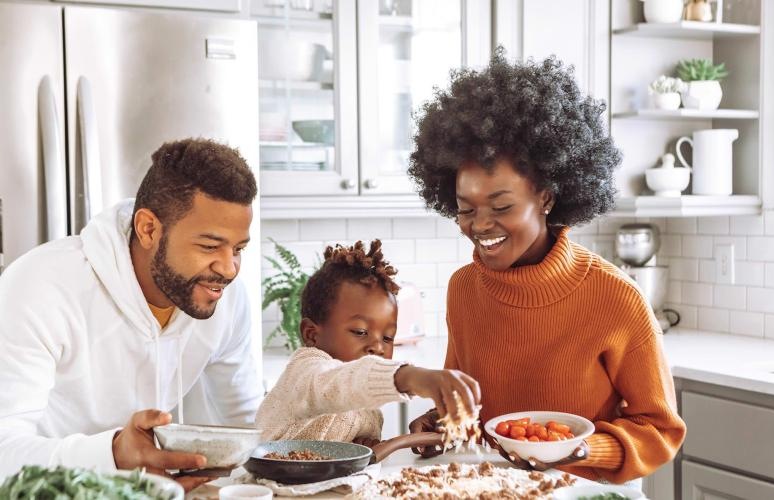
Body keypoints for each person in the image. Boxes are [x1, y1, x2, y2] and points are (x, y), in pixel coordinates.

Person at [405, 51, 686, 484]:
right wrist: (440, 425)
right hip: (491, 490)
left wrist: (578, 449)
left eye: (501, 206)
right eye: (465, 209)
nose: (480, 226)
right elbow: (472, 411)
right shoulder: (464, 288)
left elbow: (660, 431)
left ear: (547, 197)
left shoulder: (615, 297)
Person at [0, 138, 263, 489]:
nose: (229, 269)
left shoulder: (224, 299)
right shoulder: (40, 285)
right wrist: (112, 453)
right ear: (148, 229)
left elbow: (247, 426)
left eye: (239, 249)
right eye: (209, 246)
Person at [256, 240, 481, 448]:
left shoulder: (368, 406)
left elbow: (343, 445)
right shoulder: (306, 371)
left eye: (387, 338)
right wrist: (409, 377)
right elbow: (337, 384)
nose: (378, 347)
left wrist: (364, 445)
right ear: (312, 334)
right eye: (360, 331)